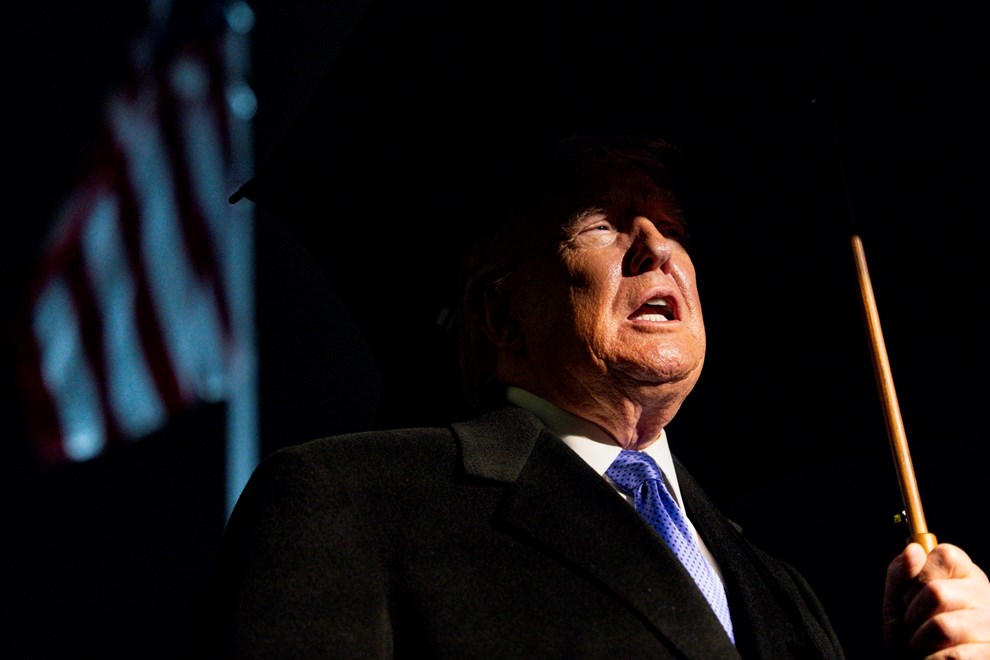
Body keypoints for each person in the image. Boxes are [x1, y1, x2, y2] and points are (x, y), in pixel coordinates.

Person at [201, 127, 990, 658]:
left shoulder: (781, 590)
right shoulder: (351, 500)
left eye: (671, 227)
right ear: (501, 313)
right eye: (604, 225)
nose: (656, 248)